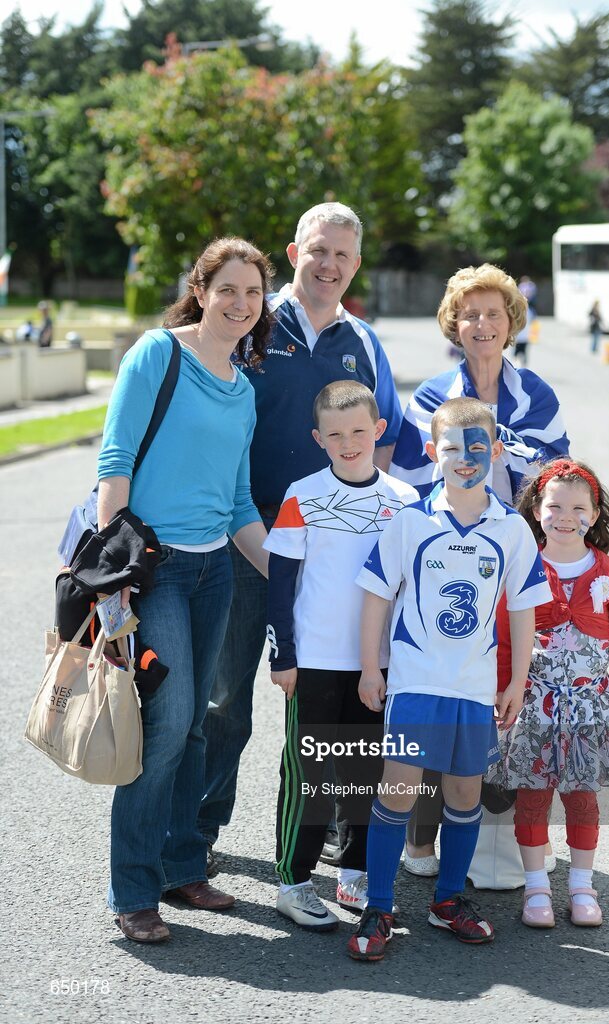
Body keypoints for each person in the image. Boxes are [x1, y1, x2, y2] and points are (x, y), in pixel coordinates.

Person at [198, 203, 403, 872]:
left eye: (344, 254)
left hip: (334, 566)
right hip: (242, 543)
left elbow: (387, 444)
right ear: (293, 252)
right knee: (224, 701)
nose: (330, 264)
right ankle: (195, 839)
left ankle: (340, 846)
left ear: (357, 264)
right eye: (319, 250)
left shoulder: (366, 343)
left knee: (340, 711)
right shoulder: (251, 324)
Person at [97, 237, 273, 944]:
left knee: (198, 719)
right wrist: (113, 589)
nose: (240, 303)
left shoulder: (243, 388)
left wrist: (291, 572)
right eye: (226, 288)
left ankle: (181, 864)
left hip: (215, 574)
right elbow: (114, 466)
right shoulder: (156, 355)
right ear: (199, 289)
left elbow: (237, 504)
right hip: (155, 569)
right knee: (166, 724)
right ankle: (134, 887)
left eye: (254, 293)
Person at [346, 397, 552, 961]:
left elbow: (522, 609)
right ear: (434, 453)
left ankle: (448, 901)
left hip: (473, 686)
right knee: (399, 786)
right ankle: (380, 905)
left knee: (464, 792)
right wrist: (371, 667)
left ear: (497, 451)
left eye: (478, 447)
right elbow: (375, 598)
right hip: (415, 681)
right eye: (453, 448)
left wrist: (516, 682)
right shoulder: (410, 521)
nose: (466, 458)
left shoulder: (511, 529)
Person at [389, 263, 569, 873]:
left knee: (497, 691)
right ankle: (418, 840)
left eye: (494, 313)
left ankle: (492, 837)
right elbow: (414, 483)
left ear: (512, 321)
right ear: (454, 324)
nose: (483, 324)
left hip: (511, 560)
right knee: (435, 690)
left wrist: (507, 448)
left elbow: (552, 483)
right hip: (441, 564)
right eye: (471, 314)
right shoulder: (434, 395)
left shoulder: (536, 394)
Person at [264, 380, 418, 931]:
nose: (348, 442)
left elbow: (411, 586)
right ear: (318, 438)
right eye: (335, 434)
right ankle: (293, 879)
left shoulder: (403, 501)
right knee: (310, 773)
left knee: (365, 770)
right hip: (314, 662)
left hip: (376, 665)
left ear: (378, 431)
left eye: (359, 431)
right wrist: (282, 656)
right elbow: (281, 581)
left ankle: (354, 872)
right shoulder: (302, 494)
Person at [490, 457, 609, 928]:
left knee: (582, 797)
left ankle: (582, 887)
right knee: (533, 796)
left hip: (589, 708)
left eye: (578, 507)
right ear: (537, 510)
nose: (565, 516)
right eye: (554, 505)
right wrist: (503, 691)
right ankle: (536, 889)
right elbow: (504, 637)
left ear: (594, 515)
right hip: (534, 705)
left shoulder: (607, 572)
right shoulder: (524, 566)